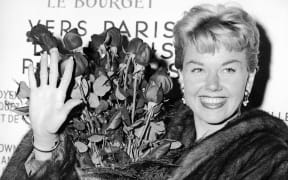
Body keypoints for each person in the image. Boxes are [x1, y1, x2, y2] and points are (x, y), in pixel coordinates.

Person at [1, 3, 288, 180]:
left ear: (249, 78)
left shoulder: (270, 159)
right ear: (183, 76)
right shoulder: (139, 129)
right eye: (198, 69)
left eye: (228, 69)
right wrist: (44, 139)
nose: (212, 85)